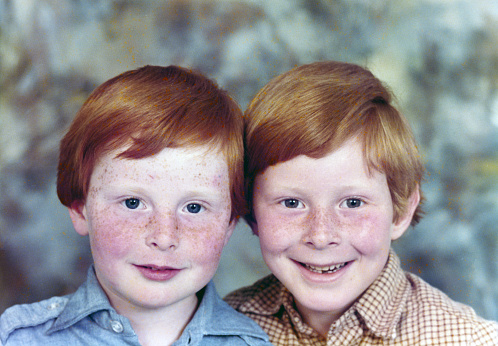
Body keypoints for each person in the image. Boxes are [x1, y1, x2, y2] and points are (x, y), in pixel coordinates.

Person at [225, 61, 498, 345]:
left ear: (401, 211)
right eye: (292, 203)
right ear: (251, 213)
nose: (320, 236)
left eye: (353, 203)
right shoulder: (220, 329)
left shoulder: (470, 339)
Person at [0, 65, 271, 346]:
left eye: (193, 208)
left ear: (230, 224)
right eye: (133, 202)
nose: (164, 237)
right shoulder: (17, 338)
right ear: (81, 209)